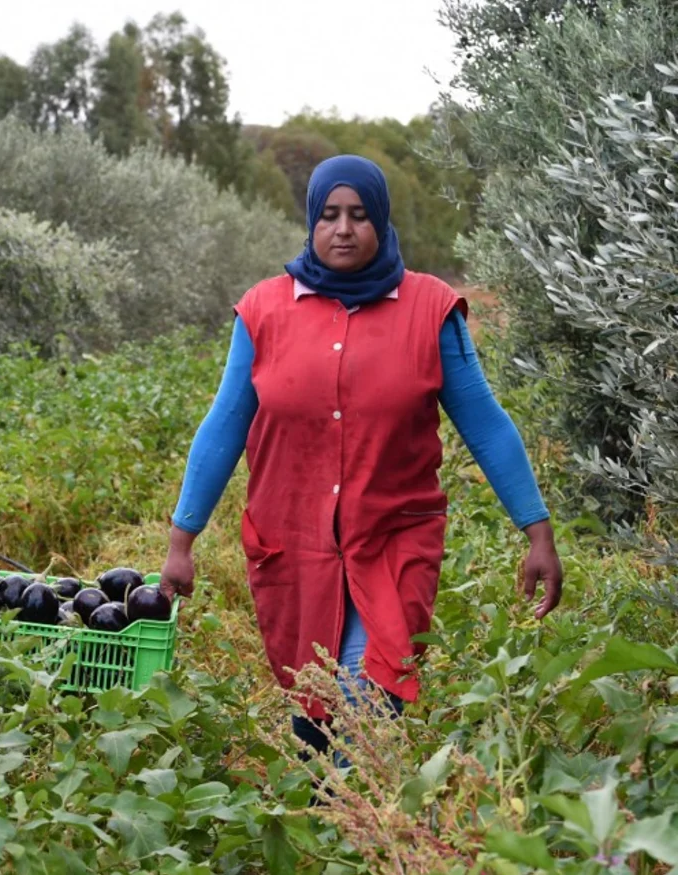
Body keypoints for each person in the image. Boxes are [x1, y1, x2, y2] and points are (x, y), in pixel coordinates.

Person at [158, 155, 564, 755]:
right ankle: (333, 807)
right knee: (314, 710)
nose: (343, 229)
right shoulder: (264, 311)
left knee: (364, 695)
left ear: (381, 219)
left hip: (393, 542)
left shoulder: (428, 309)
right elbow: (224, 426)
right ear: (311, 222)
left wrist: (538, 532)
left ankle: (359, 802)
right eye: (328, 215)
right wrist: (181, 542)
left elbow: (486, 425)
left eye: (358, 215)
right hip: (293, 546)